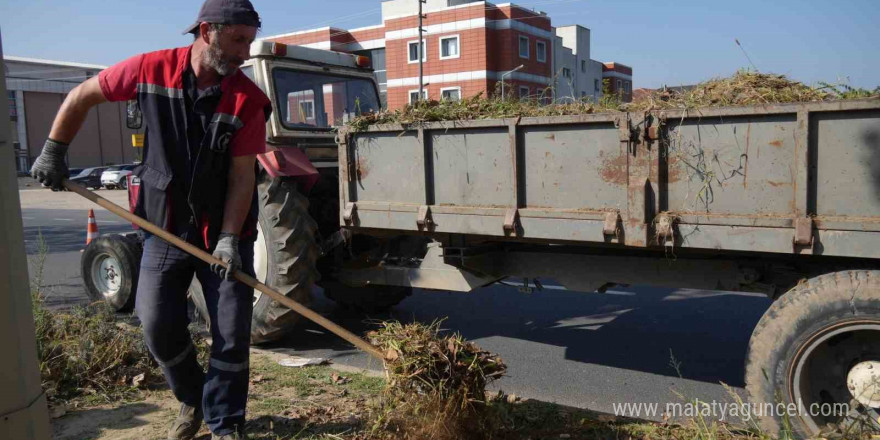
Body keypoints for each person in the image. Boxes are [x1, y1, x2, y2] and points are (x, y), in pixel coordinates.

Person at [30, 1, 270, 438]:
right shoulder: (149, 70)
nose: (243, 53)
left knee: (232, 334)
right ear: (207, 31)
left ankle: (224, 423)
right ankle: (191, 398)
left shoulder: (249, 100)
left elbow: (242, 178)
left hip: (225, 234)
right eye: (238, 40)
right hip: (163, 227)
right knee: (157, 323)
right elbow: (81, 96)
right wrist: (54, 149)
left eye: (249, 42)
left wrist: (230, 239)